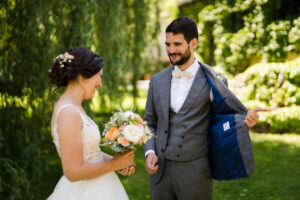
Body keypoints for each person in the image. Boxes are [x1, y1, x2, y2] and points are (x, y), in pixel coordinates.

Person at [143, 17, 261, 200]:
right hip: (160, 172)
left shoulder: (214, 81)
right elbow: (148, 123)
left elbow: (224, 120)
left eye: (177, 44)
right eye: (167, 44)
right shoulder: (157, 81)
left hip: (195, 173)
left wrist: (245, 121)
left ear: (193, 43)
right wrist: (149, 152)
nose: (171, 50)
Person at [47, 47, 135, 200]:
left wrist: (118, 161)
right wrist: (114, 165)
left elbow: (87, 153)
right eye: (98, 76)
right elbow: (73, 171)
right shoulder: (69, 113)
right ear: (82, 77)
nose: (100, 84)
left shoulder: (74, 108)